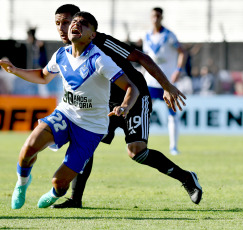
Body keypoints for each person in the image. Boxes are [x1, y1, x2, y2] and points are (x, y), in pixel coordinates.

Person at [51, 4, 202, 209]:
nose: (63, 28)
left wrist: (167, 86)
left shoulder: (101, 41)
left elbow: (141, 57)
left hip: (135, 97)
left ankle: (187, 178)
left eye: (67, 22)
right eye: (58, 24)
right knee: (85, 143)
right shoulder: (67, 53)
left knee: (137, 152)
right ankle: (75, 199)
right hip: (106, 105)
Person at [0, 11, 140, 209]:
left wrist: (124, 107)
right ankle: (21, 184)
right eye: (75, 21)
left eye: (84, 24)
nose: (76, 25)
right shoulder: (61, 54)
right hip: (65, 114)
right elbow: (43, 76)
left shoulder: (99, 60)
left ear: (92, 35)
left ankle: (55, 194)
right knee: (28, 148)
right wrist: (14, 70)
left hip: (91, 127)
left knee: (59, 183)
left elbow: (132, 87)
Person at [142, 7, 187, 155]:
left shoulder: (169, 36)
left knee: (172, 114)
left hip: (167, 82)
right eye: (153, 16)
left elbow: (182, 53)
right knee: (144, 113)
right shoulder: (147, 36)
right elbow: (146, 58)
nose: (155, 18)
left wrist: (178, 71)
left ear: (162, 17)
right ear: (150, 17)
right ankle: (141, 143)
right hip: (150, 82)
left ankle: (173, 147)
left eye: (158, 16)